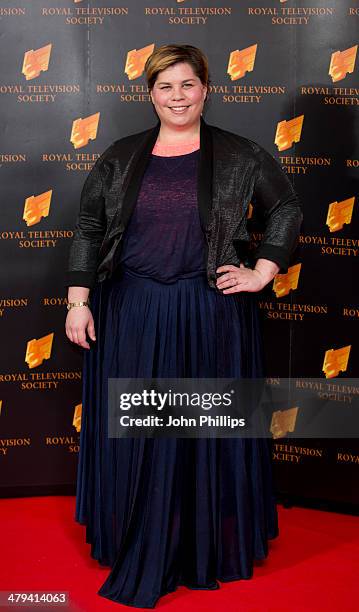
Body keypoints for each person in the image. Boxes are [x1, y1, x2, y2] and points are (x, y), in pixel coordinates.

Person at [65, 44, 302, 608]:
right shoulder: (121, 157)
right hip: (133, 314)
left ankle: (204, 546)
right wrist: (79, 301)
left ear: (206, 89)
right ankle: (138, 537)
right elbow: (89, 227)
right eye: (166, 86)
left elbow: (286, 207)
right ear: (149, 93)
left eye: (188, 85)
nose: (178, 96)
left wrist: (262, 270)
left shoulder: (241, 154)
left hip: (209, 315)